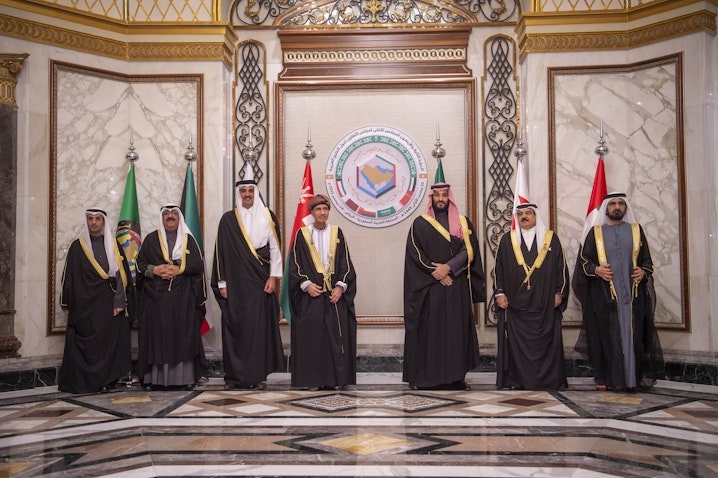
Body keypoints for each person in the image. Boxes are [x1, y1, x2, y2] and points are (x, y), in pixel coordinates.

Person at [576, 192, 665, 392]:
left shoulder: (636, 231)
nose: (617, 207)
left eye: (621, 204)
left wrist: (643, 271)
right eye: (613, 204)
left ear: (625, 208)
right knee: (608, 336)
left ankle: (631, 380)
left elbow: (647, 261)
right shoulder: (595, 233)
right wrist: (596, 270)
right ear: (606, 207)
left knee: (632, 336)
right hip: (605, 296)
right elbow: (584, 262)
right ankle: (610, 379)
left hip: (632, 297)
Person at [403, 181, 485, 390]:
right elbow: (415, 254)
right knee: (430, 333)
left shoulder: (463, 223)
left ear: (450, 198)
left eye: (444, 195)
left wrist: (448, 268)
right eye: (437, 195)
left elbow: (470, 250)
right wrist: (436, 273)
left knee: (455, 333)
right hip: (429, 291)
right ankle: (426, 378)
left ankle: (455, 377)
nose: (440, 199)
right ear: (431, 198)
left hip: (455, 287)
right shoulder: (420, 224)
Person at [211, 171, 284, 390]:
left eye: (250, 190)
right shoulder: (228, 219)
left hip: (261, 282)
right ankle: (234, 377)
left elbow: (275, 249)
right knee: (236, 327)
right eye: (243, 191)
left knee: (258, 329)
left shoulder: (268, 216)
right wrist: (221, 283)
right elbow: (220, 253)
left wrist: (273, 277)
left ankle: (258, 376)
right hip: (234, 283)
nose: (247, 194)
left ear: (256, 192)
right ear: (238, 194)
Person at [493, 203, 569, 390]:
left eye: (528, 213)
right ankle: (516, 380)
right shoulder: (507, 239)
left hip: (544, 302)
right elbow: (498, 270)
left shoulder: (550, 239)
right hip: (515, 303)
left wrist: (559, 292)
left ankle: (548, 380)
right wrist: (499, 292)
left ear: (536, 216)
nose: (524, 217)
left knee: (545, 341)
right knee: (516, 344)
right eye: (520, 214)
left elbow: (562, 269)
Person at [287, 194, 357, 390]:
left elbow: (346, 263)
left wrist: (340, 287)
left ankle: (335, 380)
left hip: (333, 295)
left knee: (334, 338)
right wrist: (306, 284)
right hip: (312, 294)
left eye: (325, 209)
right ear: (311, 212)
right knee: (312, 338)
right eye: (318, 210)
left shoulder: (337, 233)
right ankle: (313, 381)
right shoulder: (302, 234)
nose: (322, 213)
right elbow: (294, 265)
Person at [58, 208, 131, 393]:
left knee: (108, 345)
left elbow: (123, 276)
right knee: (88, 345)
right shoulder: (78, 246)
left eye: (98, 219)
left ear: (104, 222)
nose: (94, 222)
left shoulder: (114, 245)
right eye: (90, 219)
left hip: (109, 304)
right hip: (84, 307)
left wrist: (120, 302)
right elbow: (68, 276)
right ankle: (87, 382)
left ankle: (107, 380)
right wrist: (66, 303)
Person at [136, 205, 206, 390]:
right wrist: (155, 270)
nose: (170, 216)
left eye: (174, 213)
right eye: (166, 214)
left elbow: (197, 265)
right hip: (155, 298)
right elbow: (139, 264)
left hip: (183, 298)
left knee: (181, 336)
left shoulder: (188, 240)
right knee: (158, 337)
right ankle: (156, 379)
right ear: (162, 217)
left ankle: (184, 379)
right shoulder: (151, 239)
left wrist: (179, 269)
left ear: (179, 217)